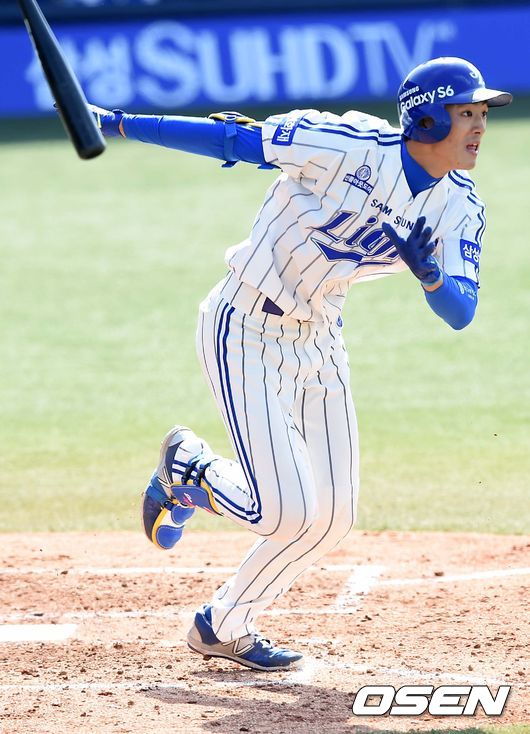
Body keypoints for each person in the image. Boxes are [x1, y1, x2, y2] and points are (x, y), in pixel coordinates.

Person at [91, 57, 512, 672]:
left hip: (320, 342)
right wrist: (119, 123)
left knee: (332, 519)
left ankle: (222, 625)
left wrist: (431, 277)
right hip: (244, 325)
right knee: (283, 511)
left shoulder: (459, 206)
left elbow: (461, 311)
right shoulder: (347, 145)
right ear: (426, 119)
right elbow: (234, 139)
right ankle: (193, 469)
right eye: (466, 112)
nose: (479, 127)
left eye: (482, 114)